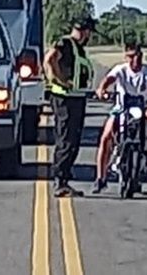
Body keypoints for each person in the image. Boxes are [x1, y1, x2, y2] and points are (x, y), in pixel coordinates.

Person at [91, 42, 147, 193]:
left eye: (138, 56)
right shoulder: (120, 70)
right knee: (106, 137)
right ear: (126, 57)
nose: (135, 60)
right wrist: (102, 90)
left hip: (143, 107)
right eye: (131, 56)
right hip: (121, 108)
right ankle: (101, 178)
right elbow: (108, 80)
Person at [43, 15, 97, 197]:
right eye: (89, 32)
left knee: (72, 139)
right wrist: (59, 79)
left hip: (75, 97)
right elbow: (49, 59)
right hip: (65, 98)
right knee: (66, 139)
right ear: (85, 31)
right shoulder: (66, 43)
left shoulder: (77, 48)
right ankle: (60, 181)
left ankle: (64, 178)